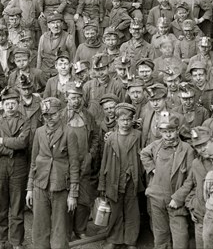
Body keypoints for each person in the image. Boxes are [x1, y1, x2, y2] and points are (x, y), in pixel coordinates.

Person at [26, 97, 80, 249]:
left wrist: (73, 194)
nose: (49, 118)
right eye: (45, 115)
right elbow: (33, 161)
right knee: (40, 227)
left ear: (61, 113)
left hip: (60, 186)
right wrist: (30, 188)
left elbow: (75, 165)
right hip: (40, 184)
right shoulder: (39, 132)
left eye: (53, 114)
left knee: (60, 228)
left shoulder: (69, 133)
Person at [140, 112, 194, 249]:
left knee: (180, 234)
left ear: (177, 131)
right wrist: (152, 168)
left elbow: (190, 179)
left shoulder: (186, 149)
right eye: (164, 132)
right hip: (156, 196)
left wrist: (178, 198)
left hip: (175, 198)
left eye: (171, 131)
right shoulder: (156, 145)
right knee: (160, 233)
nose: (168, 135)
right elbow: (144, 154)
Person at [0, 88, 30, 249]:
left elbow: (23, 143)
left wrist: (2, 140)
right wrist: (12, 149)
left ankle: (16, 241)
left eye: (13, 103)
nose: (10, 107)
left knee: (17, 206)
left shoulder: (24, 121)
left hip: (18, 168)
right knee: (0, 205)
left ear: (18, 104)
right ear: (3, 105)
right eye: (7, 104)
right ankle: (1, 241)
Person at [98, 103, 143, 249]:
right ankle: (114, 239)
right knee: (115, 211)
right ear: (116, 120)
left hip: (131, 180)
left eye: (128, 120)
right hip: (114, 180)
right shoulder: (111, 139)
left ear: (132, 120)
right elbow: (104, 162)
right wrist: (102, 184)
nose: (125, 123)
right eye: (122, 120)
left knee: (132, 212)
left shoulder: (138, 136)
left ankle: (131, 240)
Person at [60, 87, 100, 239]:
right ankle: (67, 230)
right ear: (66, 98)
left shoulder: (88, 115)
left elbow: (96, 136)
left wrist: (91, 154)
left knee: (84, 197)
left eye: (78, 97)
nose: (75, 101)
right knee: (67, 197)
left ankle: (80, 229)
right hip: (67, 162)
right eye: (72, 97)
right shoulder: (62, 116)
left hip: (85, 162)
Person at [170, 126, 213, 249]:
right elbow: (190, 184)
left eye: (205, 144)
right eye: (198, 146)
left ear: (212, 140)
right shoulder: (196, 163)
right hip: (200, 216)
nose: (202, 149)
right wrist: (191, 206)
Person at [37, 13, 76, 78]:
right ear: (48, 25)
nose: (55, 26)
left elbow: (73, 58)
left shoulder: (68, 37)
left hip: (60, 73)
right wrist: (38, 73)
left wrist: (71, 75)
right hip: (44, 73)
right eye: (52, 23)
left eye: (58, 22)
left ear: (62, 24)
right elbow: (39, 57)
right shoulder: (43, 37)